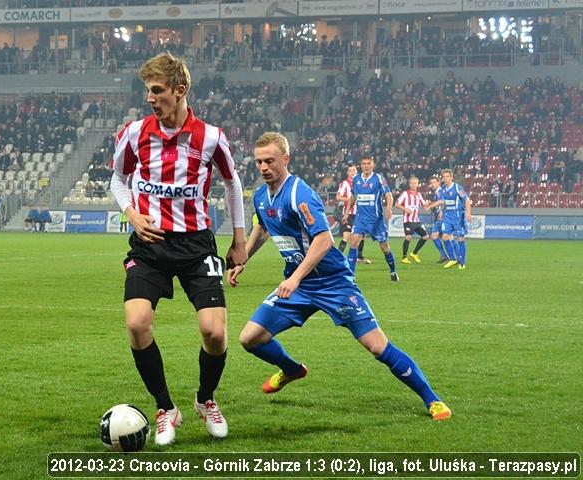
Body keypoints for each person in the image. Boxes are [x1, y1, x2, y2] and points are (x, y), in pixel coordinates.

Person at [230, 132, 451, 422]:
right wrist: (242, 257)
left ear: (285, 159)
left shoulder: (300, 193)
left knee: (377, 346)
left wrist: (294, 278)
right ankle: (292, 369)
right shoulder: (261, 196)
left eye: (269, 161)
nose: (263, 167)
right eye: (258, 162)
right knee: (250, 338)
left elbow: (324, 241)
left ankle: (432, 400)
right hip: (299, 284)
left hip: (332, 283)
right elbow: (263, 228)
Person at [109, 53, 247, 446]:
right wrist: (132, 214)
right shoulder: (134, 133)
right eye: (147, 91)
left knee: (214, 333)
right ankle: (165, 407)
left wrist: (238, 240)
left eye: (157, 90)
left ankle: (205, 400)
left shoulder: (211, 138)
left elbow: (232, 184)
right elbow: (118, 180)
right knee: (137, 324)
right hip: (149, 245)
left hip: (195, 243)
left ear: (180, 90)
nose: (150, 98)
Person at [343, 156, 399, 282]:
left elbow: (388, 195)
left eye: (369, 163)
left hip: (376, 220)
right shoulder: (356, 179)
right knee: (353, 242)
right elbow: (353, 196)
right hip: (360, 218)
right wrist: (347, 212)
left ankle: (393, 271)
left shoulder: (379, 178)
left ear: (372, 165)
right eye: (364, 164)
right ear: (361, 165)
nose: (366, 166)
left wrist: (389, 209)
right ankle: (350, 276)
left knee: (384, 247)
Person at [427, 169, 472, 269]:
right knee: (445, 237)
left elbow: (467, 200)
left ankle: (462, 262)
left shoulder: (457, 188)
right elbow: (442, 201)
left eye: (447, 176)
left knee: (460, 238)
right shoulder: (443, 188)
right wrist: (435, 208)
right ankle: (452, 259)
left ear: (451, 178)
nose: (445, 178)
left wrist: (468, 213)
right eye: (444, 177)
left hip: (458, 217)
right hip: (447, 217)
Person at [335, 165, 369, 263]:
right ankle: (339, 257)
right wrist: (350, 200)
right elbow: (338, 197)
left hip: (360, 214)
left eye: (354, 170)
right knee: (346, 236)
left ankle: (359, 256)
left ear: (357, 171)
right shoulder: (344, 183)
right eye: (350, 170)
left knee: (362, 236)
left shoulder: (361, 183)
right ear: (347, 173)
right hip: (348, 213)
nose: (352, 172)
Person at [395, 176, 429, 264]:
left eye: (415, 183)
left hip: (416, 220)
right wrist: (405, 209)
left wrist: (429, 205)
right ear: (409, 184)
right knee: (409, 237)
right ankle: (404, 257)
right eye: (412, 183)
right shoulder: (405, 193)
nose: (413, 185)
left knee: (425, 237)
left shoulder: (419, 195)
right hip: (408, 220)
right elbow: (397, 204)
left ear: (418, 184)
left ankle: (414, 253)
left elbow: (424, 206)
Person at [426, 176, 448, 263]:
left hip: (444, 217)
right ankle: (444, 255)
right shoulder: (436, 192)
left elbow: (443, 202)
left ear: (439, 183)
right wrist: (431, 204)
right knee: (434, 236)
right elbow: (438, 203)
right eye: (431, 183)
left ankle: (455, 257)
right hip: (439, 217)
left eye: (434, 182)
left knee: (447, 237)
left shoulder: (440, 191)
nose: (432, 184)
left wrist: (441, 211)